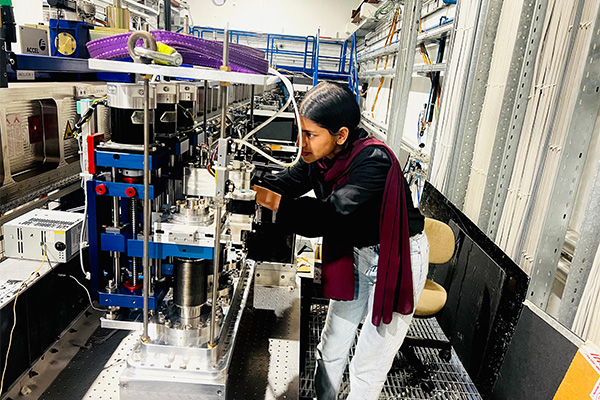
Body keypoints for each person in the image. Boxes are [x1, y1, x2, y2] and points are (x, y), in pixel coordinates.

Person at [253, 82, 429, 400]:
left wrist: (274, 202)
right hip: (358, 253)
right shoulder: (319, 159)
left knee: (368, 363)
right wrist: (245, 181)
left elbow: (331, 215)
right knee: (332, 344)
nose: (301, 143)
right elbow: (289, 181)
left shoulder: (375, 161)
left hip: (397, 257)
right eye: (300, 131)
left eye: (310, 134)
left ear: (342, 135)